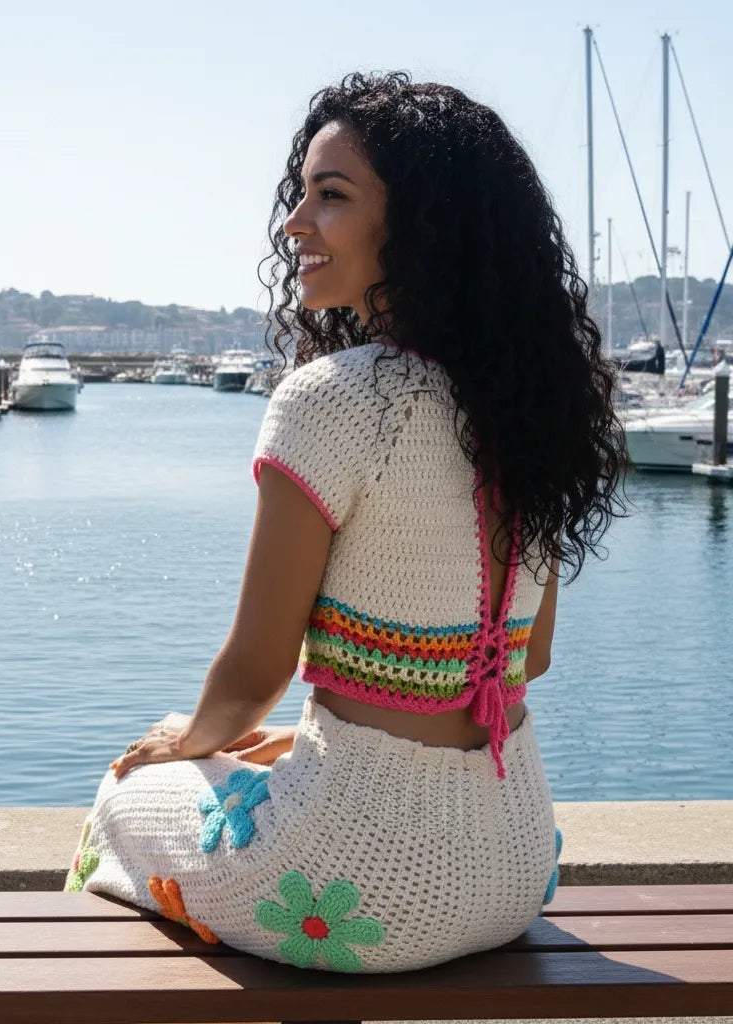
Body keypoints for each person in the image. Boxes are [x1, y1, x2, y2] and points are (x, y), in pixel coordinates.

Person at [66, 71, 626, 973]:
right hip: (516, 864)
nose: (295, 223)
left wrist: (188, 743)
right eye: (302, 195)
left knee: (126, 791)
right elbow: (529, 659)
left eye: (331, 196)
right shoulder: (533, 407)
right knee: (245, 757)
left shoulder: (336, 399)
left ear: (423, 222)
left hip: (356, 886)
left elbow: (254, 673)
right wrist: (300, 739)